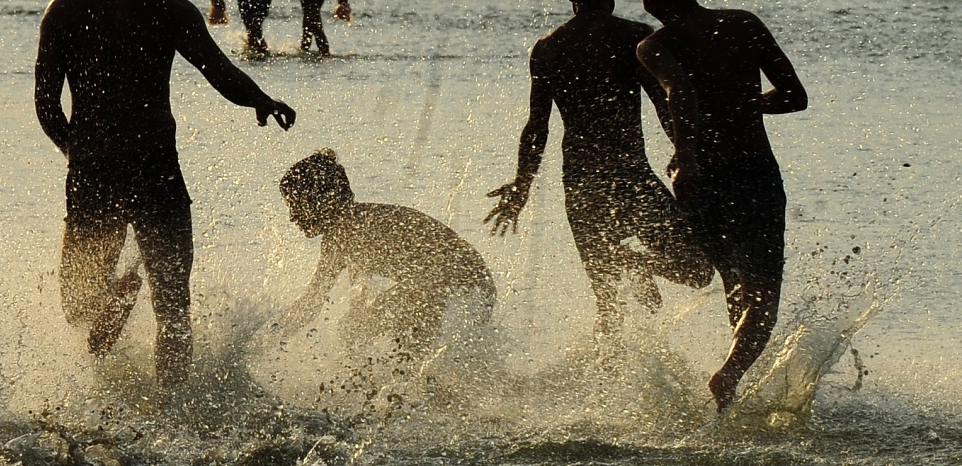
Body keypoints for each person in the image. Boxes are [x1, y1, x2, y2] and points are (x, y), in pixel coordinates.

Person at [35, 0, 296, 392]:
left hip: (99, 174)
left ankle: (125, 306)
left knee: (87, 306)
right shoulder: (167, 9)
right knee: (172, 309)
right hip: (154, 169)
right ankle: (169, 412)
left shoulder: (67, 10)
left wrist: (77, 152)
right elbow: (219, 71)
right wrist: (259, 99)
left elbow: (46, 105)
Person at [484, 0, 713, 338]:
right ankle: (637, 263)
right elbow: (665, 103)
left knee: (609, 308)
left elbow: (537, 126)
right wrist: (685, 153)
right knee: (697, 271)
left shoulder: (548, 47)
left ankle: (602, 376)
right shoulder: (634, 36)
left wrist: (523, 184)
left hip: (580, 183)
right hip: (632, 178)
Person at [636, 0, 808, 410]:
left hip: (699, 180)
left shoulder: (654, 45)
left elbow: (682, 91)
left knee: (735, 285)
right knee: (762, 296)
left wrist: (689, 157)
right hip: (753, 172)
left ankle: (731, 390)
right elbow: (794, 96)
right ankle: (730, 375)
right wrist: (747, 105)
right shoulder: (742, 24)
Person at [275, 150, 496, 353]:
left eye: (296, 205)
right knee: (362, 328)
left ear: (322, 201)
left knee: (360, 329)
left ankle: (391, 388)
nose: (293, 217)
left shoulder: (345, 231)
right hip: (474, 278)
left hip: (456, 275)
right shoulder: (356, 222)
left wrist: (267, 335)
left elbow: (312, 302)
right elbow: (359, 294)